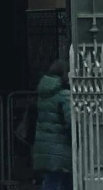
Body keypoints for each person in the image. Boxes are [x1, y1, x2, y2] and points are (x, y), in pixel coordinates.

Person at [32, 56, 72, 190]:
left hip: (45, 145)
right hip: (61, 146)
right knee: (61, 181)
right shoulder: (64, 95)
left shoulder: (44, 93)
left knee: (52, 180)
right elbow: (71, 122)